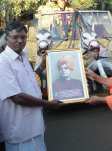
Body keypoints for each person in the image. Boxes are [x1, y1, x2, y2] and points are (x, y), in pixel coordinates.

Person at [0, 21, 64, 151]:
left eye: (23, 37)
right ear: (7, 39)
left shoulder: (23, 56)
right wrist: (48, 104)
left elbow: (31, 80)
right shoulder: (3, 62)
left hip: (35, 126)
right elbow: (16, 97)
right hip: (20, 129)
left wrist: (42, 65)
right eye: (15, 37)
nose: (20, 40)